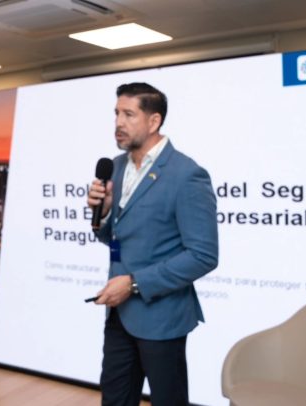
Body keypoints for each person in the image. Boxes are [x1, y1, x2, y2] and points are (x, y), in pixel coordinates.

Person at [87, 82, 219, 405]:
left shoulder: (187, 174)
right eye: (116, 113)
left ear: (154, 121)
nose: (118, 122)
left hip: (162, 319)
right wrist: (104, 214)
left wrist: (133, 284)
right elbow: (114, 238)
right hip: (118, 315)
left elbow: (203, 255)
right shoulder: (116, 167)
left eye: (128, 114)